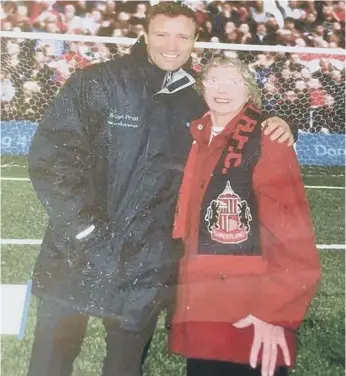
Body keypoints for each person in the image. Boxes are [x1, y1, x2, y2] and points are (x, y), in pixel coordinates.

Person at [27, 3, 296, 376]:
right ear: (145, 35)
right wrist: (86, 230)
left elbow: (237, 114)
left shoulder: (196, 97)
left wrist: (278, 121)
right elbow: (50, 159)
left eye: (182, 36)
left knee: (124, 366)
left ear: (195, 41)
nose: (172, 45)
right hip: (77, 251)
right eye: (162, 34)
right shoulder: (97, 82)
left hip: (144, 265)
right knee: (50, 361)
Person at [169, 57, 321, 376]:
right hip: (203, 305)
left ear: (249, 91)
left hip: (250, 313)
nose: (222, 90)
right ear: (202, 87)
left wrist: (273, 314)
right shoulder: (198, 137)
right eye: (213, 80)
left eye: (233, 82)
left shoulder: (267, 141)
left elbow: (294, 239)